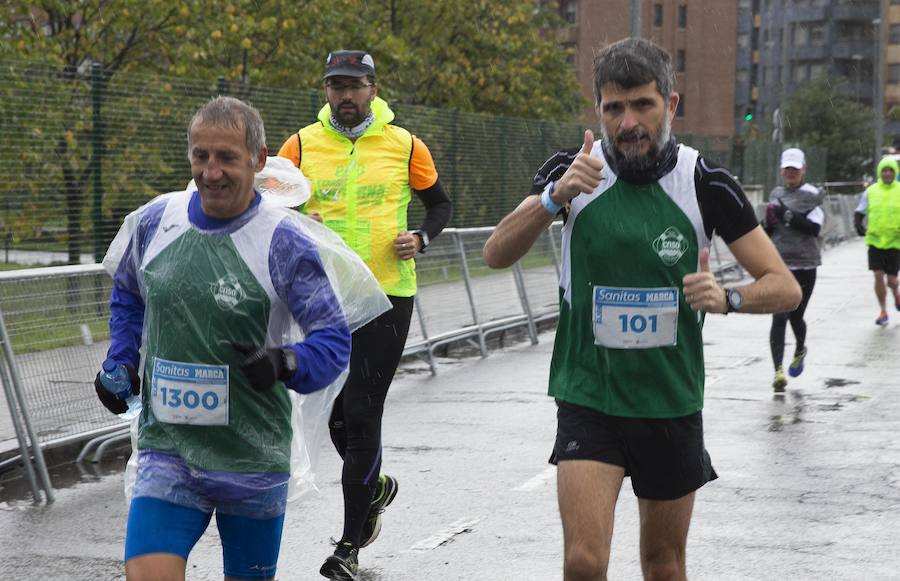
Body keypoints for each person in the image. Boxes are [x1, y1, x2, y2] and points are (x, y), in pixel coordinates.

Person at [483, 38, 801, 581]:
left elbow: (784, 286)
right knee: (584, 561)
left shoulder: (706, 183)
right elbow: (495, 253)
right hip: (589, 396)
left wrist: (727, 298)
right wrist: (552, 198)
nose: (628, 122)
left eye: (642, 105)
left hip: (669, 403)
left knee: (663, 566)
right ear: (599, 110)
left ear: (670, 105)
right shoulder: (572, 171)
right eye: (614, 108)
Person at [95, 96, 386, 581]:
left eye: (226, 157)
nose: (211, 172)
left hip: (251, 457)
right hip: (169, 449)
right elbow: (129, 293)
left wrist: (285, 362)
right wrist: (122, 360)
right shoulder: (154, 222)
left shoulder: (284, 242)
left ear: (257, 158)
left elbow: (333, 341)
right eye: (200, 156)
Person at [277, 50, 452, 580]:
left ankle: (349, 547)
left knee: (360, 413)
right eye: (336, 86)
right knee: (334, 414)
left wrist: (421, 236)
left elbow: (440, 204)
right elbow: (271, 207)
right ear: (325, 90)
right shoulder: (300, 145)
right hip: (323, 300)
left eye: (355, 85)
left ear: (373, 89)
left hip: (387, 296)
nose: (345, 95)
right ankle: (373, 488)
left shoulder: (405, 145)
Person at [763, 148, 825, 393]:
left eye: (795, 169)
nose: (791, 173)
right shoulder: (775, 194)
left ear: (803, 170)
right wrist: (766, 223)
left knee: (796, 316)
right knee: (779, 316)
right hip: (780, 265)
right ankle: (778, 371)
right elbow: (769, 229)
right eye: (787, 169)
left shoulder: (812, 196)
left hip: (806, 265)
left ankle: (800, 349)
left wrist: (786, 214)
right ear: (781, 170)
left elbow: (813, 229)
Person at [853, 156, 900, 326]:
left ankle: (896, 293)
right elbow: (860, 210)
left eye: (890, 171)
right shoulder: (871, 191)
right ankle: (883, 311)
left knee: (892, 280)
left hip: (895, 243)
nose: (887, 173)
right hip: (875, 241)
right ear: (880, 172)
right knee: (878, 275)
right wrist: (858, 224)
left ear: (895, 172)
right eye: (884, 170)